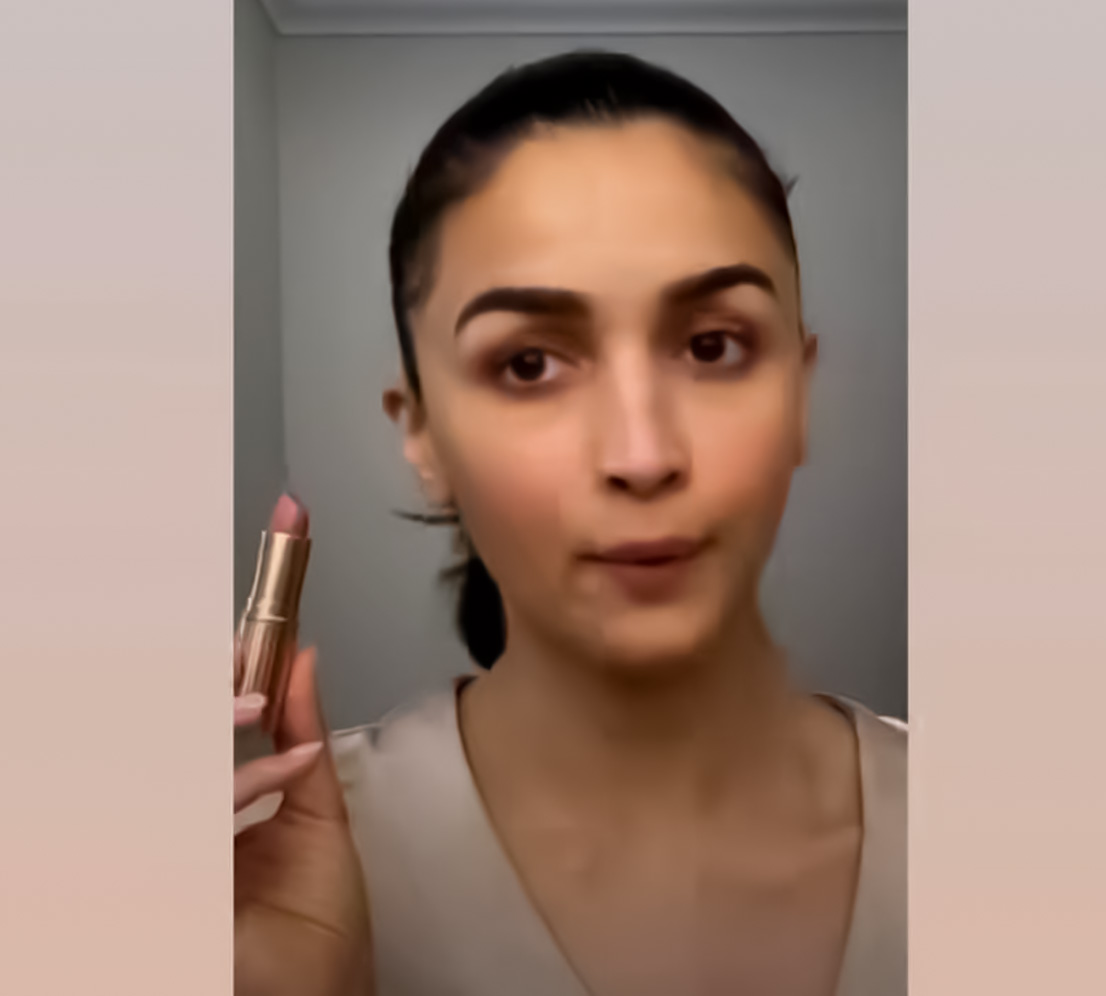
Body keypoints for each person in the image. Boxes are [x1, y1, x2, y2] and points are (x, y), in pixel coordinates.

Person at [232, 50, 906, 996]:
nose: (642, 454)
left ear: (800, 394)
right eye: (530, 366)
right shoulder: (254, 874)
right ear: (423, 435)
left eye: (713, 346)